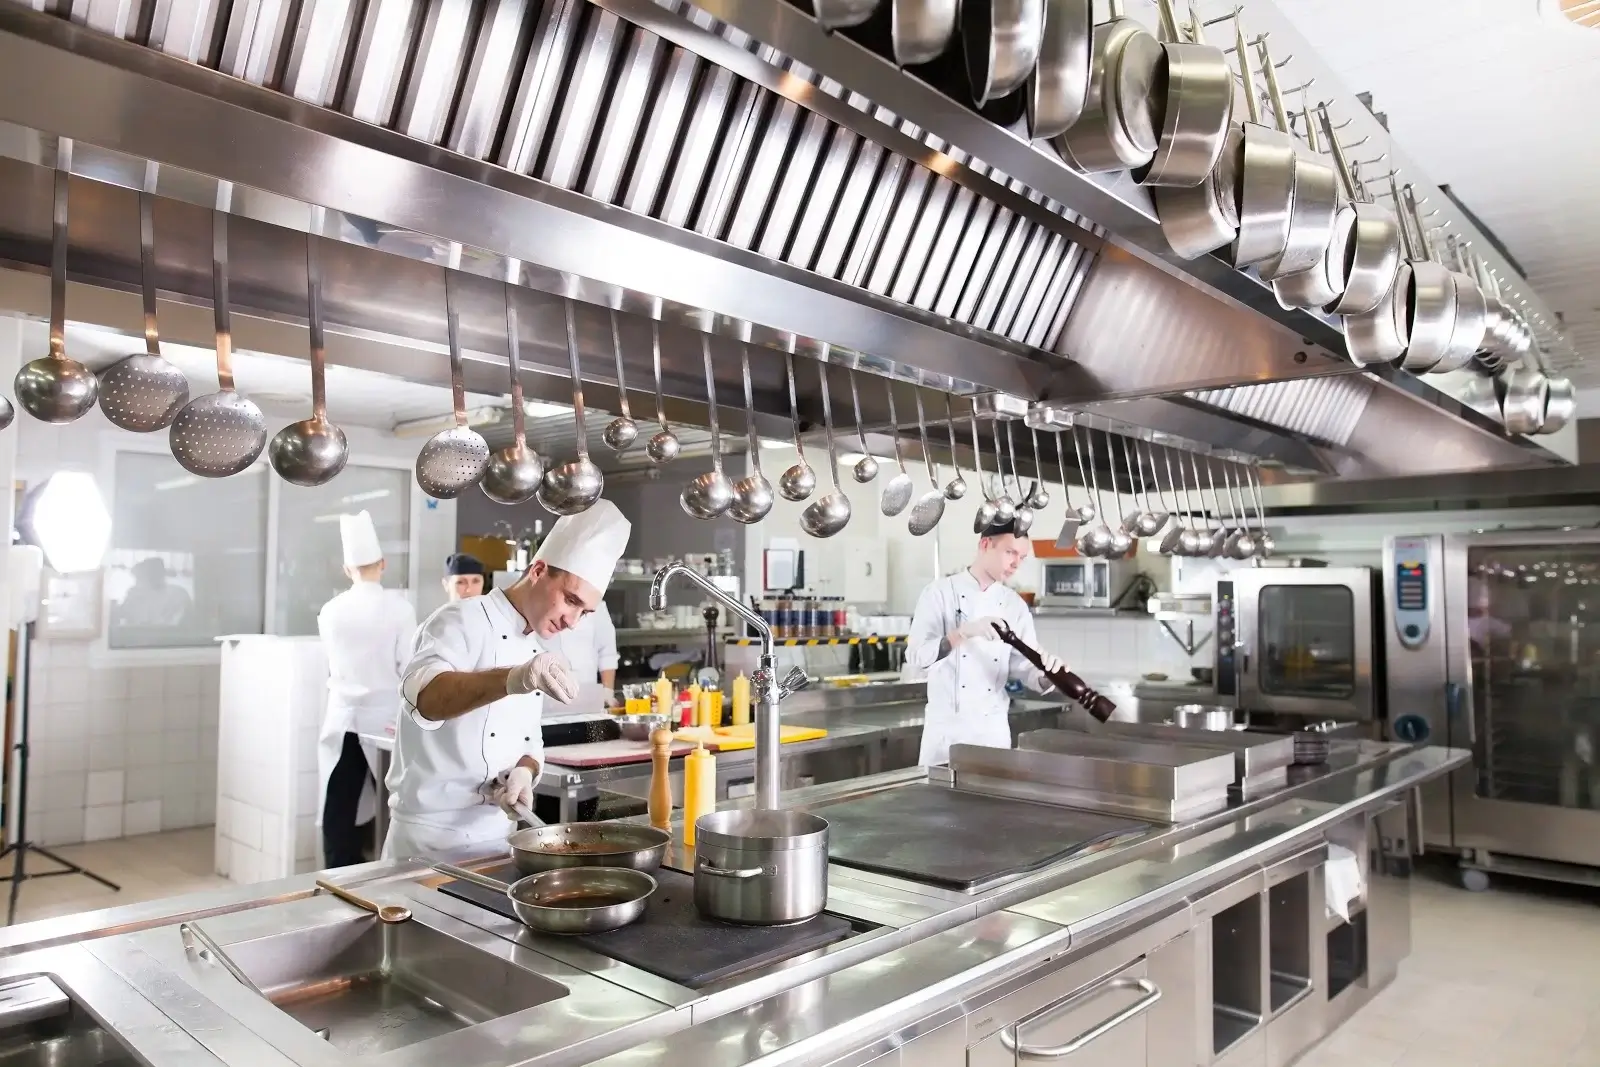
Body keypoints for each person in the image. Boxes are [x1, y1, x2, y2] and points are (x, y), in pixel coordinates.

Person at [383, 500, 632, 858]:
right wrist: (514, 678)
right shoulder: (460, 619)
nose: (572, 621)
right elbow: (425, 700)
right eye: (570, 600)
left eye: (585, 612)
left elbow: (529, 742)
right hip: (429, 842)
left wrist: (524, 773)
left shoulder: (537, 646)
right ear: (538, 570)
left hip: (499, 839)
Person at [906, 517, 1067, 766]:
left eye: (1022, 557)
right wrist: (962, 633)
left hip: (992, 733)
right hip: (946, 734)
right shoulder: (938, 594)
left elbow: (1026, 668)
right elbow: (917, 657)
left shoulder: (1014, 605)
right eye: (1010, 552)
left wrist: (1050, 674)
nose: (1016, 564)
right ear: (985, 545)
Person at [316, 511, 417, 868]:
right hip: (384, 721)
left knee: (339, 803)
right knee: (393, 805)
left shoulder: (330, 611)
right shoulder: (400, 609)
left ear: (347, 570)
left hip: (342, 718)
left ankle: (337, 872)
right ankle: (388, 872)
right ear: (383, 564)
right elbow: (409, 668)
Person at [534, 606, 620, 823]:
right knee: (549, 779)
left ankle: (584, 825)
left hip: (586, 706)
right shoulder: (541, 603)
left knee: (586, 779)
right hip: (545, 708)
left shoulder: (596, 605)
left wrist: (607, 692)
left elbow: (607, 651)